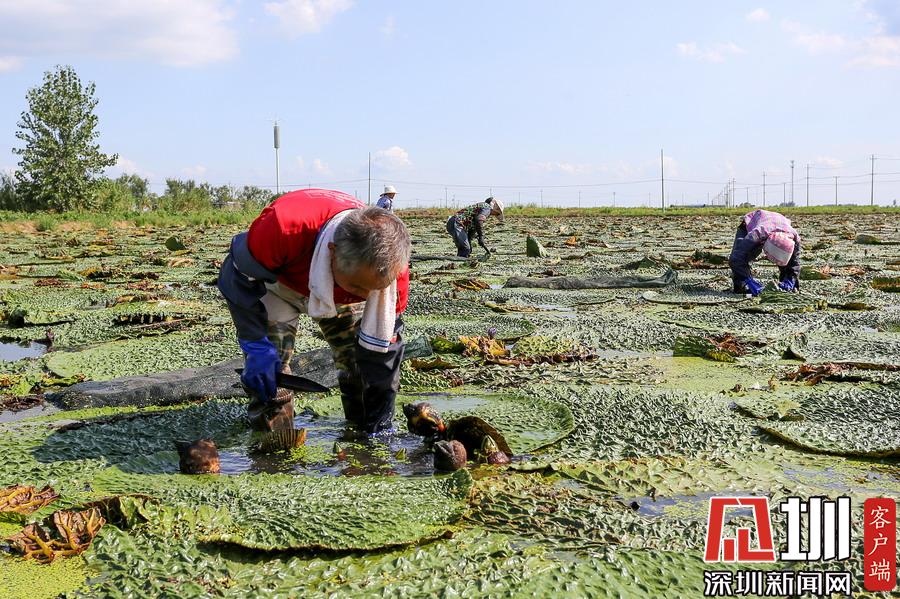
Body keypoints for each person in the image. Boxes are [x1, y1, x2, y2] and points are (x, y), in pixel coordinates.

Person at [218, 188, 411, 435]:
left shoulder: (394, 273)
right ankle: (273, 444)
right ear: (332, 252)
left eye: (373, 290)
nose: (365, 295)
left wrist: (381, 426)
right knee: (271, 374)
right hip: (280, 286)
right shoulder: (282, 227)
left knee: (359, 365)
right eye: (357, 286)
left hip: (340, 300)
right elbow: (236, 276)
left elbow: (386, 349)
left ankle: (361, 437)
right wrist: (254, 342)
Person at [729, 208, 801, 296]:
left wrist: (791, 279)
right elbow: (735, 259)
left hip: (778, 223)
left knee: (790, 266)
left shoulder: (794, 239)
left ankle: (788, 286)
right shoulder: (756, 235)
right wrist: (748, 280)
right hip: (751, 222)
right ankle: (741, 285)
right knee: (744, 256)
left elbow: (795, 263)